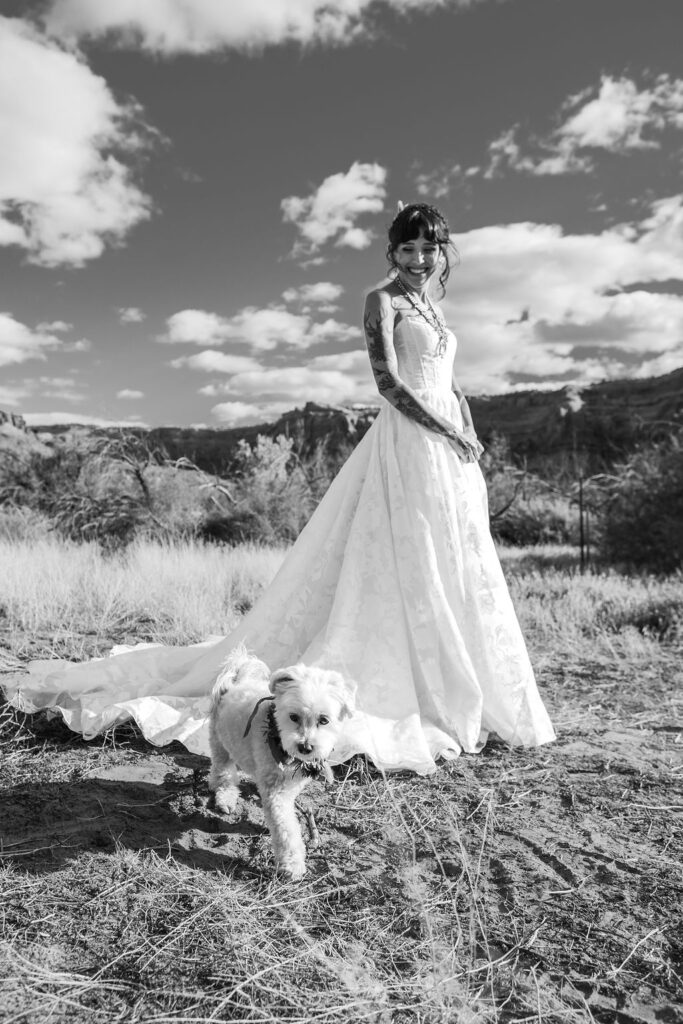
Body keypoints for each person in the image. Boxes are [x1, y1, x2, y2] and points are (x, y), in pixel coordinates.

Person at [4, 202, 555, 774]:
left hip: (450, 450)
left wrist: (466, 429)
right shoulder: (382, 300)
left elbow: (452, 384)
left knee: (457, 555)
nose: (420, 259)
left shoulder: (433, 309)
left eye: (430, 249)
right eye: (409, 249)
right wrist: (442, 427)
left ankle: (468, 681)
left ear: (442, 252)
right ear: (392, 252)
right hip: (408, 441)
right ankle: (414, 682)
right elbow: (388, 381)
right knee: (407, 547)